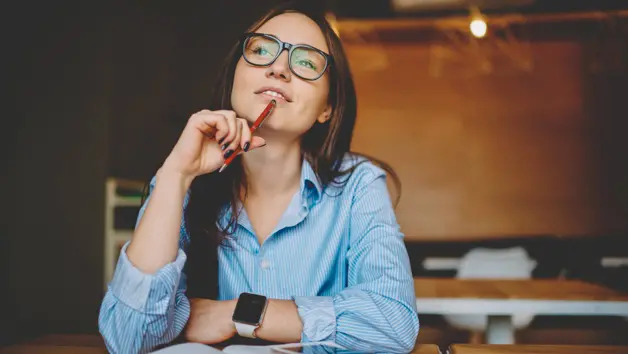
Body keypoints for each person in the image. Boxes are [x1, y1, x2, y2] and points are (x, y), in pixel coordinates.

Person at [98, 2, 419, 353]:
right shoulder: (183, 178)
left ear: (328, 107)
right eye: (262, 50)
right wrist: (176, 174)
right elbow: (127, 338)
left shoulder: (359, 186)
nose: (279, 68)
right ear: (235, 76)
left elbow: (392, 324)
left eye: (306, 62)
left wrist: (240, 313)